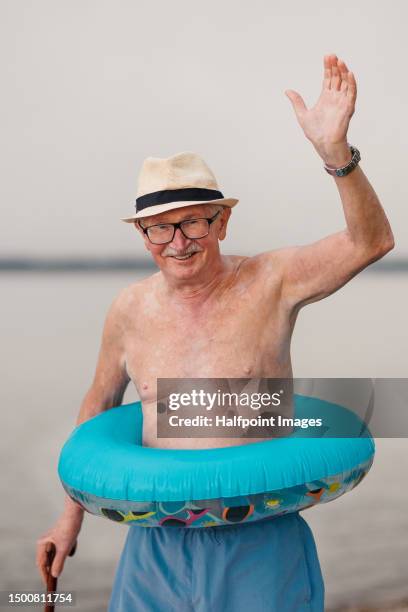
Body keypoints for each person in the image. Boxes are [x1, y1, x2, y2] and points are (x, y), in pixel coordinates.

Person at [37, 54, 394, 611]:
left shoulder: (273, 279)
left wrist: (336, 157)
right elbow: (99, 405)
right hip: (155, 540)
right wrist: (68, 522)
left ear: (221, 221)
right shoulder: (130, 309)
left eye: (192, 222)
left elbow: (370, 242)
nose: (177, 242)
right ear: (143, 235)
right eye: (159, 228)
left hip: (259, 538)